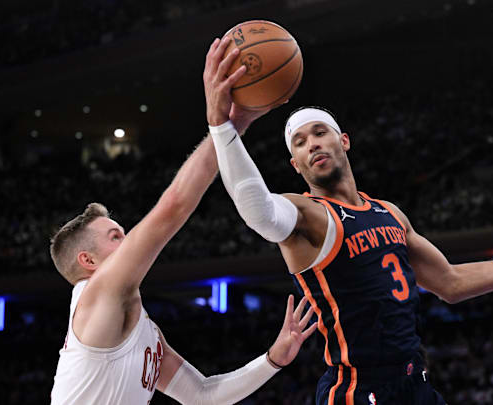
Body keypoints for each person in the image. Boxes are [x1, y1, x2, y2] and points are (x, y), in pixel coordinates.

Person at [208, 103, 493, 404]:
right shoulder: (307, 217)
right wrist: (221, 125)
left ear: (343, 140)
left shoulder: (389, 213)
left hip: (415, 383)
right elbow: (256, 209)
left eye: (319, 133)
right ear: (295, 164)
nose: (312, 144)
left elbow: (450, 283)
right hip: (357, 390)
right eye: (300, 142)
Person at [49, 36, 317, 405]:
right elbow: (171, 209)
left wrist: (273, 360)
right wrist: (228, 122)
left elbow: (203, 395)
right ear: (88, 262)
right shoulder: (99, 294)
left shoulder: (142, 330)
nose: (127, 241)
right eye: (114, 236)